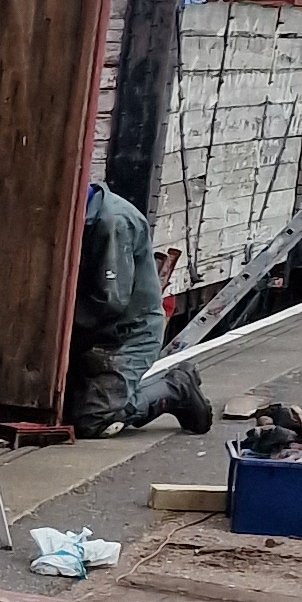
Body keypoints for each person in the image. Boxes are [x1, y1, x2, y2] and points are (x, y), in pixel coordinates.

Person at [70, 176, 209, 434]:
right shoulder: (90, 212)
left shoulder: (114, 223)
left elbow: (110, 301)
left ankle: (175, 388)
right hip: (98, 332)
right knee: (62, 409)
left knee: (93, 419)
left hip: (129, 334)